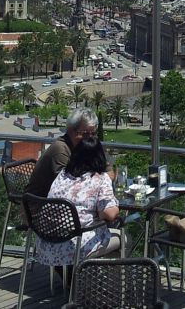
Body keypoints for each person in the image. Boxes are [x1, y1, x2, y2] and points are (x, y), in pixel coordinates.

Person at [36, 128, 121, 268]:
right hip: (75, 246)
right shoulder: (100, 178)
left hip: (47, 244)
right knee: (123, 238)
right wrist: (116, 205)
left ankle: (85, 280)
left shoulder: (63, 174)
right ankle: (106, 286)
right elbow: (109, 213)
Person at [26, 108, 108, 198]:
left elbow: (108, 169)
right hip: (41, 205)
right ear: (71, 130)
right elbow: (68, 186)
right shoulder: (61, 150)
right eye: (85, 134)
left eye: (93, 134)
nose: (90, 138)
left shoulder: (86, 147)